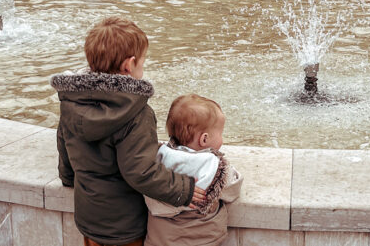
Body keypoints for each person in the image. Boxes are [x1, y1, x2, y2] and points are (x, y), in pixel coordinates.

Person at [51, 17, 207, 246]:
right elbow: (140, 171)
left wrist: (68, 178)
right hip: (125, 224)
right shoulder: (135, 113)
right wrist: (182, 188)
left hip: (88, 219)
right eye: (143, 61)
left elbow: (64, 147)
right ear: (129, 65)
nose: (143, 66)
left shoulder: (72, 103)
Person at [144, 94, 242, 246]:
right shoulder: (215, 167)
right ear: (204, 139)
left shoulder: (159, 159)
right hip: (201, 239)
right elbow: (231, 191)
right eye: (220, 133)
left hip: (160, 239)